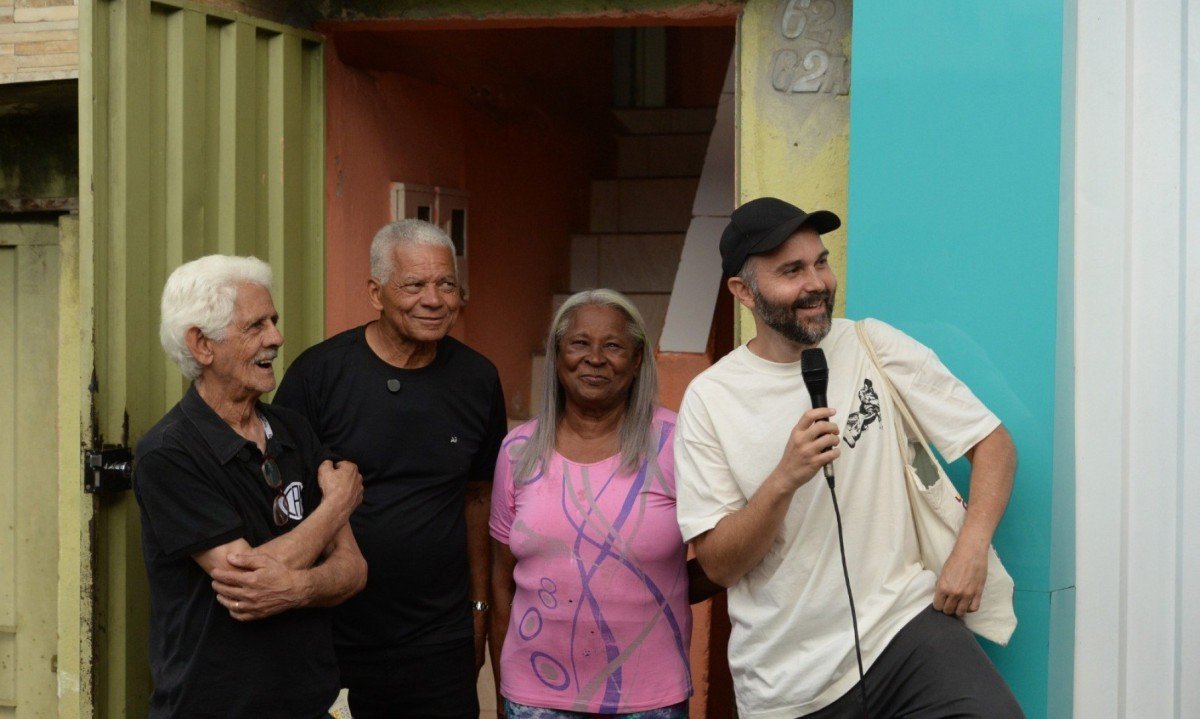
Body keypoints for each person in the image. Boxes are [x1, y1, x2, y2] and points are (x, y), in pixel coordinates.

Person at [674, 197, 1024, 718]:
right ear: (743, 292)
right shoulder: (710, 400)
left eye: (821, 262)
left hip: (903, 628)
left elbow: (992, 443)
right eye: (791, 271)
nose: (816, 283)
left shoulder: (870, 343)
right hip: (787, 682)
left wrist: (971, 549)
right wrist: (784, 478)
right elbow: (719, 566)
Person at [274, 219, 507, 719]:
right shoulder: (319, 375)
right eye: (414, 285)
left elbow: (478, 497)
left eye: (446, 284)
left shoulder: (478, 379)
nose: (434, 300)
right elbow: (282, 501)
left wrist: (479, 609)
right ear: (375, 293)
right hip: (334, 634)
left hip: (438, 640)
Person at [133, 255, 367, 719]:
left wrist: (296, 588)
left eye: (274, 321)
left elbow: (354, 569)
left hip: (310, 703)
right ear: (202, 345)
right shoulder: (168, 453)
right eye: (256, 325)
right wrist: (336, 506)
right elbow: (245, 580)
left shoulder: (295, 430)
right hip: (213, 707)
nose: (276, 338)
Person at [490, 289, 720, 719]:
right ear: (557, 354)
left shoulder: (677, 443)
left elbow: (725, 556)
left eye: (613, 345)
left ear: (636, 360)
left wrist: (658, 589)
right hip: (533, 699)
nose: (594, 358)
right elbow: (501, 580)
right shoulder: (518, 450)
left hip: (649, 700)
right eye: (579, 343)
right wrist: (505, 690)